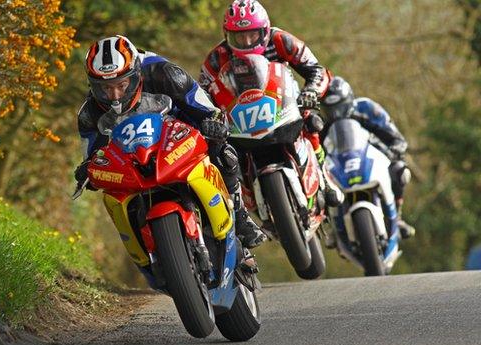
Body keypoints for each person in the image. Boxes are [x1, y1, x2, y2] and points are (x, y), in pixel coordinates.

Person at [74, 35, 266, 249]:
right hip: (134, 156)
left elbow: (205, 107)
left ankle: (240, 216)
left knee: (222, 149)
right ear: (93, 85)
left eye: (121, 84)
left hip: (179, 131)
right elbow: (93, 155)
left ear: (136, 74)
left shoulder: (165, 74)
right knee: (112, 194)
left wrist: (213, 122)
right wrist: (87, 172)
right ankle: (142, 246)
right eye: (105, 88)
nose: (115, 95)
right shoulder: (89, 113)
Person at [199, 0, 343, 207]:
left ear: (264, 30)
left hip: (282, 104)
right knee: (221, 153)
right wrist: (211, 119)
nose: (246, 42)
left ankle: (324, 176)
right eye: (238, 37)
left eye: (253, 35)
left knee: (312, 121)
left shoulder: (281, 40)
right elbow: (200, 95)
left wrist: (311, 92)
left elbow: (316, 70)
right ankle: (239, 203)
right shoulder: (216, 58)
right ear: (226, 35)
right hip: (241, 119)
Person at [320, 76, 416, 239]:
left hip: (374, 159)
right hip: (339, 168)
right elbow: (316, 153)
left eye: (340, 107)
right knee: (319, 189)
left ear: (349, 99)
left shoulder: (366, 108)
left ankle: (397, 218)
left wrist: (396, 147)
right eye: (330, 109)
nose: (336, 114)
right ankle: (332, 228)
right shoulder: (320, 124)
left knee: (400, 170)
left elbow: (392, 133)